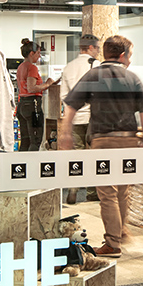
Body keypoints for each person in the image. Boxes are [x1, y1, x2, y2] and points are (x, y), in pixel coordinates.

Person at [60, 35, 143, 258]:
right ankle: (119, 232)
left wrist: (65, 133)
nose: (130, 59)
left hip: (103, 140)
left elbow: (71, 106)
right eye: (130, 54)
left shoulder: (93, 75)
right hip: (129, 139)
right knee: (123, 190)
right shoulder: (133, 78)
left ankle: (113, 243)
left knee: (107, 193)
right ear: (122, 55)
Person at [60, 34, 101, 204]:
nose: (98, 51)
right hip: (94, 119)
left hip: (75, 118)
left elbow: (64, 96)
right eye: (97, 47)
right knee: (94, 156)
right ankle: (92, 191)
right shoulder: (98, 66)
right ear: (90, 48)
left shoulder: (69, 67)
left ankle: (73, 189)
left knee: (76, 157)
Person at [16, 39, 54, 151]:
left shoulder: (21, 67)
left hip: (22, 105)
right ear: (31, 53)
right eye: (38, 53)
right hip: (33, 105)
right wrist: (47, 84)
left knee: (25, 141)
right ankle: (32, 165)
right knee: (35, 140)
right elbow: (31, 88)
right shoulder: (32, 67)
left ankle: (21, 166)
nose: (39, 56)